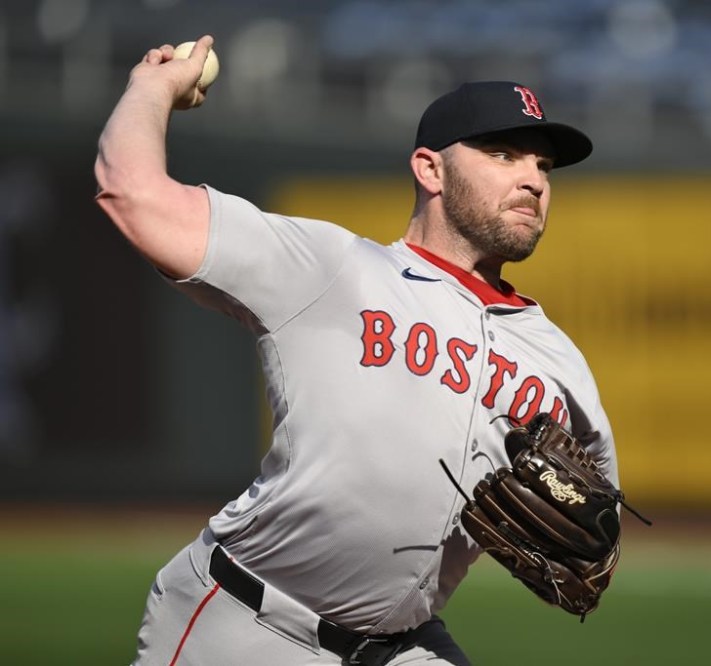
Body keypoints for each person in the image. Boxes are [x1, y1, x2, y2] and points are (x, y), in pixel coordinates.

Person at [95, 35, 619, 666]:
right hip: (246, 622)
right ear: (430, 169)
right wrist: (150, 90)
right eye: (504, 154)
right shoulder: (332, 268)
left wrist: (591, 546)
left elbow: (593, 538)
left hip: (401, 647)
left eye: (543, 165)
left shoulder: (557, 363)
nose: (532, 180)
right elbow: (132, 194)